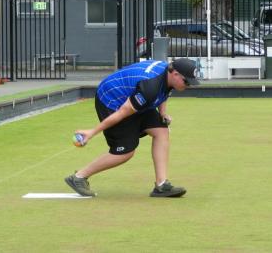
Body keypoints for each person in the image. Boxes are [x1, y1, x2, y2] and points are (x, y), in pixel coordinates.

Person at [65, 58, 199, 198]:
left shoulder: (168, 73)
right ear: (175, 74)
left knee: (162, 131)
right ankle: (79, 177)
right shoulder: (150, 87)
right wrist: (92, 132)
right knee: (124, 152)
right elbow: (123, 112)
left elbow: (164, 92)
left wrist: (163, 113)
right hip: (112, 99)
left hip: (132, 94)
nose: (188, 85)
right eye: (186, 81)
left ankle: (161, 185)